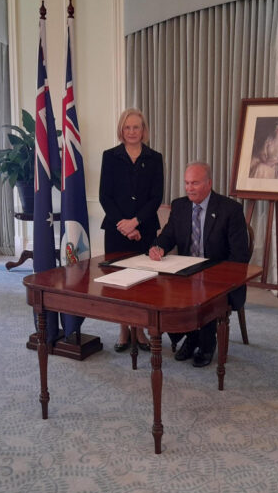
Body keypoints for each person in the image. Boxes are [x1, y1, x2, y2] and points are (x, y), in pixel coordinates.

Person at [149, 161, 249, 367]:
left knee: (205, 294)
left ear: (209, 183)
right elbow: (168, 236)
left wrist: (213, 275)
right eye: (186, 183)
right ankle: (188, 335)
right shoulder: (179, 206)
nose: (189, 188)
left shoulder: (230, 209)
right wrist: (158, 247)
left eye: (194, 183)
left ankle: (206, 343)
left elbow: (240, 256)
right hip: (186, 273)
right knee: (158, 292)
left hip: (219, 277)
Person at [99, 108, 164, 353]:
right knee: (118, 281)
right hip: (116, 230)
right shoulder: (110, 156)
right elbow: (104, 196)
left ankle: (140, 330)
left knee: (144, 282)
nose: (132, 132)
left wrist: (136, 222)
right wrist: (125, 226)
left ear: (143, 130)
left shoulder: (155, 158)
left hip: (145, 228)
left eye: (136, 127)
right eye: (128, 127)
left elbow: (156, 197)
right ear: (121, 130)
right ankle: (124, 330)